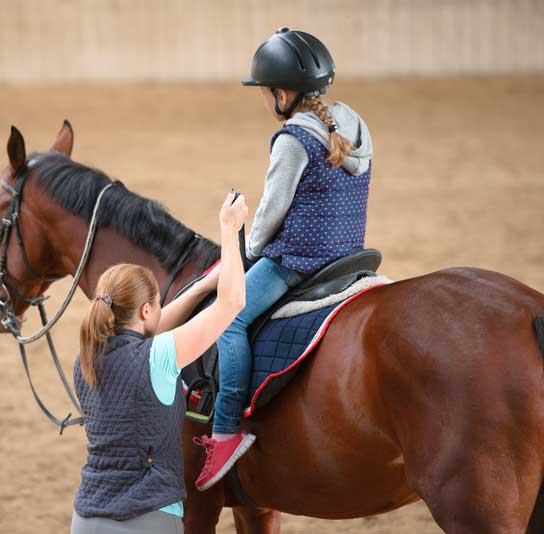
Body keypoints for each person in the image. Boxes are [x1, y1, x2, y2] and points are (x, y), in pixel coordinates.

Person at [193, 27, 374, 491]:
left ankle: (226, 429)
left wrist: (246, 252)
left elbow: (271, 212)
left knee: (229, 318)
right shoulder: (354, 124)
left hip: (298, 260)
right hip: (348, 255)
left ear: (281, 93)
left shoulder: (293, 139)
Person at [70, 191, 247, 534]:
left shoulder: (86, 357)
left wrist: (198, 289)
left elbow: (145, 333)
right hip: (149, 519)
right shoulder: (159, 356)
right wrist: (229, 230)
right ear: (146, 311)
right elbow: (232, 303)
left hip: (86, 519)